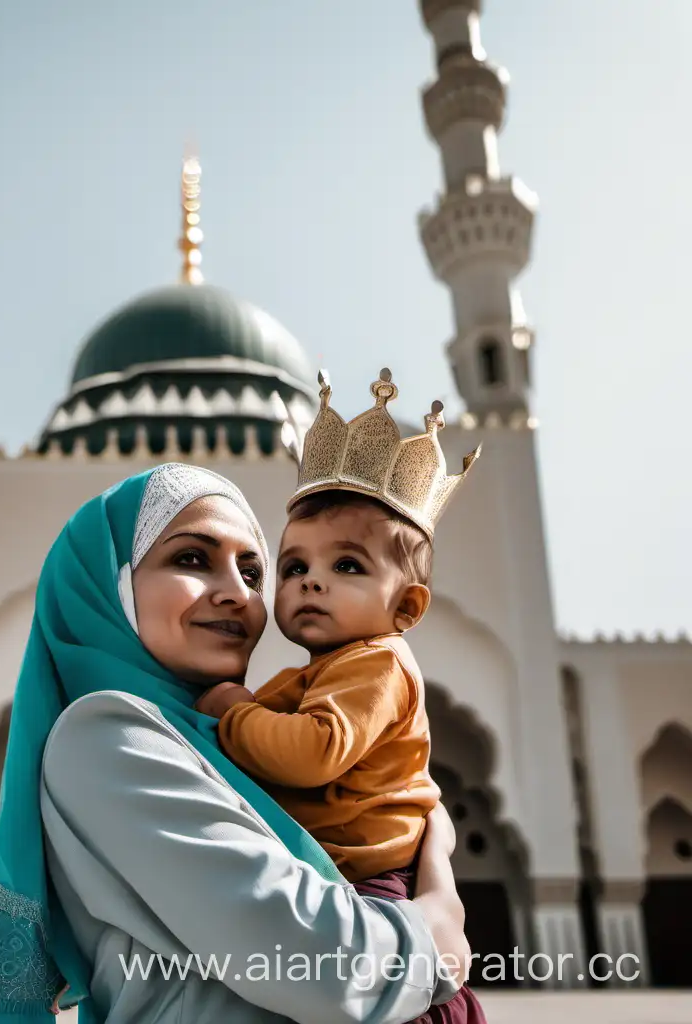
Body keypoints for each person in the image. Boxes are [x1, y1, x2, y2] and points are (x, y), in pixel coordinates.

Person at [0, 462, 469, 1024]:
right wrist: (437, 916)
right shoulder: (106, 737)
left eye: (253, 574)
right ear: (111, 582)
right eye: (192, 559)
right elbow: (325, 964)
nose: (236, 595)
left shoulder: (223, 740)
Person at [194, 369, 486, 1023]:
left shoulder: (375, 664)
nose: (311, 582)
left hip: (375, 892)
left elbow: (312, 753)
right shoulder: (318, 673)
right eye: (294, 567)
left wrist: (233, 711)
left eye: (346, 565)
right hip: (337, 883)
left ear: (406, 605)